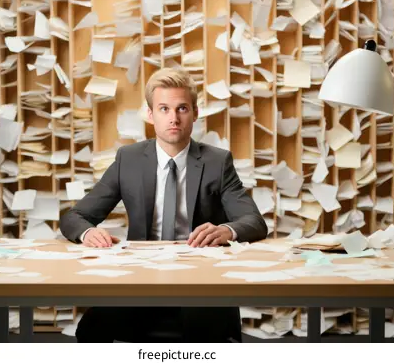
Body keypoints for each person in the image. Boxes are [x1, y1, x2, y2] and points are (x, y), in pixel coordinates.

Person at [59, 67, 267, 343]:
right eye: (164, 109)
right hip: (140, 279)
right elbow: (75, 216)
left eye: (182, 108)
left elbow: (254, 222)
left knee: (204, 332)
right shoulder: (128, 160)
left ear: (195, 112)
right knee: (92, 328)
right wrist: (88, 232)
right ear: (150, 114)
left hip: (201, 280)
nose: (174, 118)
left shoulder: (218, 162)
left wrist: (227, 231)